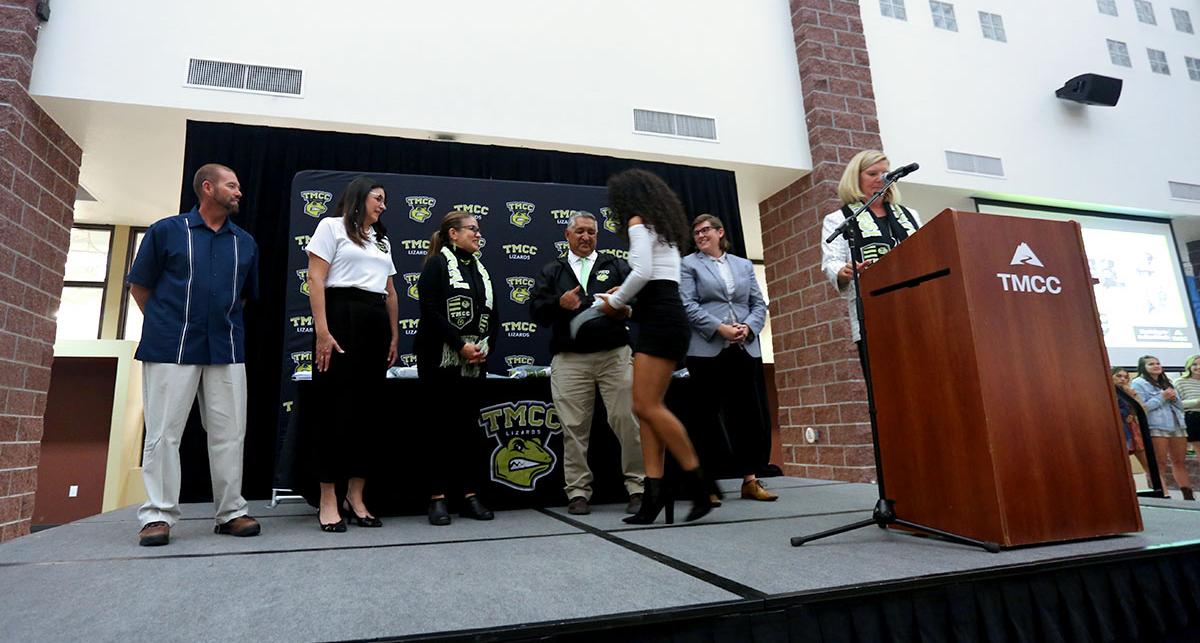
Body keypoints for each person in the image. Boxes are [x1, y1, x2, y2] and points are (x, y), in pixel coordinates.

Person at [126, 163, 261, 546]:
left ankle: (231, 512)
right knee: (164, 434)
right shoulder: (166, 231)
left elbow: (244, 298)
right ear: (207, 188)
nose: (239, 192)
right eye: (231, 185)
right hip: (170, 347)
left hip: (227, 348)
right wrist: (167, 325)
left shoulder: (245, 242)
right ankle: (157, 515)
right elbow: (139, 287)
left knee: (230, 434)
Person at [598, 168, 717, 524]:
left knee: (645, 405)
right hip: (662, 318)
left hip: (661, 323)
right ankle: (654, 494)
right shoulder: (661, 228)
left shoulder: (638, 222)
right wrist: (625, 304)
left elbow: (642, 273)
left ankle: (701, 484)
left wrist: (615, 302)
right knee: (647, 409)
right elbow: (658, 287)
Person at [530, 211, 645, 516]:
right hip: (569, 360)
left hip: (614, 356)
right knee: (573, 427)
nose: (586, 237)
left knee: (627, 420)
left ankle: (639, 487)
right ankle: (578, 492)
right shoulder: (552, 270)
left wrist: (623, 308)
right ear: (567, 235)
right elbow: (536, 312)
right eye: (579, 232)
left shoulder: (616, 265)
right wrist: (559, 304)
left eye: (591, 232)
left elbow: (640, 302)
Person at [305, 177, 399, 532]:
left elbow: (390, 291)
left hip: (375, 323)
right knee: (333, 410)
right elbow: (316, 279)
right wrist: (323, 331)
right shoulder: (330, 227)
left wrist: (394, 335)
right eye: (378, 198)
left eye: (385, 200)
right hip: (341, 316)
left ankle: (355, 496)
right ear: (360, 197)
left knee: (368, 413)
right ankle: (329, 498)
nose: (383, 206)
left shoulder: (381, 239)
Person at [680, 214, 776, 502]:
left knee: (746, 416)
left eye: (706, 230)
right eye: (696, 232)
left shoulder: (743, 265)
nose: (700, 235)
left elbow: (759, 304)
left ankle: (750, 481)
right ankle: (707, 485)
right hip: (707, 350)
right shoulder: (688, 265)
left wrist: (748, 328)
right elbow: (687, 305)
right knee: (705, 419)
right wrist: (719, 328)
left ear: (720, 232)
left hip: (743, 348)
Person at [415, 211, 498, 525]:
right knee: (439, 428)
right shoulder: (437, 265)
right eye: (472, 229)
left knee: (468, 430)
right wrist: (459, 344)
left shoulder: (481, 270)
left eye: (478, 230)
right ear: (453, 233)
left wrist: (484, 347)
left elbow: (494, 314)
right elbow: (430, 311)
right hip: (440, 358)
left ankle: (469, 496)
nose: (478, 235)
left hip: (473, 364)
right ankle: (437, 498)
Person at [819, 150, 922, 370]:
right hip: (873, 314)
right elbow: (831, 261)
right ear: (855, 178)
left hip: (919, 310)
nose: (881, 178)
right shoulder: (839, 219)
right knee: (886, 379)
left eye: (886, 173)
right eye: (872, 173)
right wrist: (844, 270)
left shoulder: (911, 215)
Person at [1131, 356, 1195, 500]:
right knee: (1160, 462)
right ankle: (1163, 494)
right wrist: (1162, 397)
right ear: (1143, 367)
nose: (1156, 366)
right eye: (1151, 364)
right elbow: (1143, 408)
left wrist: (1174, 398)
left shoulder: (1167, 382)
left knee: (1179, 461)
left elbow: (1180, 406)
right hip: (1157, 426)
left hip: (1177, 424)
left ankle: (1188, 496)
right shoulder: (1138, 383)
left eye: (1158, 363)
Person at [1112, 367, 1150, 482]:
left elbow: (1143, 410)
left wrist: (1134, 397)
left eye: (1126, 377)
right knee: (1123, 466)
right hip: (1118, 430)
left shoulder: (1128, 392)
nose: (1123, 379)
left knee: (1148, 463)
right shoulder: (1106, 392)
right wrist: (1124, 414)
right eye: (1119, 376)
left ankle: (1158, 489)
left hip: (1133, 428)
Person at [1174, 355, 1200, 464]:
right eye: (1194, 364)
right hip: (1194, 417)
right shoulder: (1180, 381)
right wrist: (1197, 402)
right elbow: (1176, 403)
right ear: (1188, 366)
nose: (1198, 367)